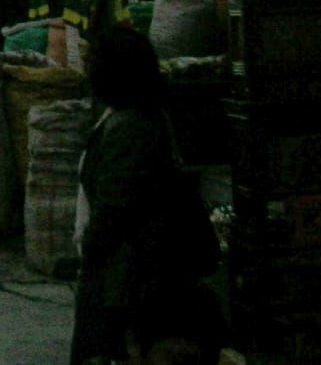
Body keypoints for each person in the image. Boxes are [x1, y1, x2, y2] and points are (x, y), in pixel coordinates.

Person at [71, 26, 219, 365]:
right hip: (136, 276)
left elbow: (115, 210)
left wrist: (91, 255)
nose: (86, 69)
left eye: (92, 61)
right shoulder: (134, 117)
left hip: (134, 282)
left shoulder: (130, 128)